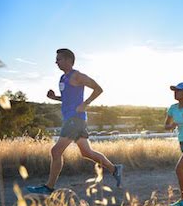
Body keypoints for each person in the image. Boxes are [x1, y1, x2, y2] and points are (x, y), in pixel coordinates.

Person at [27, 49, 123, 195]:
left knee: (56, 151)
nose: (56, 62)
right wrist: (54, 98)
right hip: (71, 119)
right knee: (86, 152)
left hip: (75, 119)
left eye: (58, 59)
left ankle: (49, 187)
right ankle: (115, 169)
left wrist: (86, 103)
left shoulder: (77, 75)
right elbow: (68, 98)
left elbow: (98, 89)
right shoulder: (62, 78)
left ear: (68, 60)